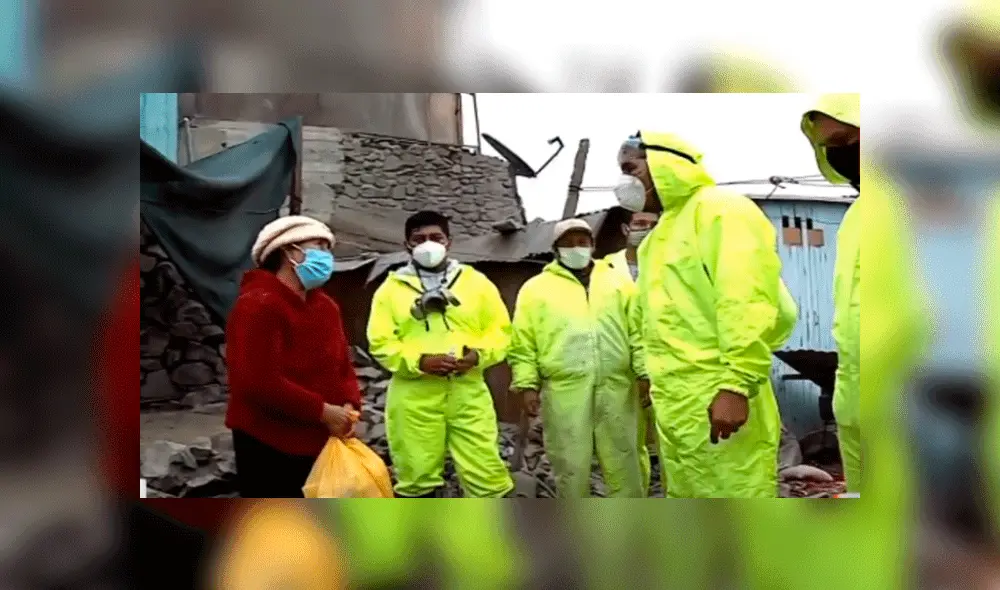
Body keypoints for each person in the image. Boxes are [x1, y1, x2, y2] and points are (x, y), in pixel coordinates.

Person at [613, 130, 797, 498]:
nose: (625, 181)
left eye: (630, 168)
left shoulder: (721, 210)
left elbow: (747, 300)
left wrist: (737, 383)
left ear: (662, 161)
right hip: (676, 406)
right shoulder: (659, 237)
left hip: (718, 397)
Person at [366, 210, 514, 498]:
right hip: (413, 397)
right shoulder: (391, 290)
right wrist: (420, 362)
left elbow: (500, 332)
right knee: (416, 477)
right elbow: (380, 343)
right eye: (419, 239)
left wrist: (478, 356)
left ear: (449, 241)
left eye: (436, 237)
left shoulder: (476, 283)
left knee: (486, 475)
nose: (428, 244)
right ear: (407, 245)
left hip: (468, 392)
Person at [508, 218, 648, 498]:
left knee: (625, 461)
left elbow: (638, 333)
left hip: (618, 387)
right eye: (567, 243)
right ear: (556, 249)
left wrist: (645, 374)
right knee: (570, 463)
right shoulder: (536, 290)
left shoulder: (618, 283)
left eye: (582, 242)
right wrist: (526, 385)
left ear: (592, 245)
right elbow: (523, 344)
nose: (576, 248)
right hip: (564, 390)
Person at [224, 215, 362, 498]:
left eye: (327, 248)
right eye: (318, 247)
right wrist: (322, 410)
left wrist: (349, 402)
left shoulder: (325, 306)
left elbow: (342, 364)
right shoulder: (258, 304)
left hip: (318, 437)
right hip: (269, 441)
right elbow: (257, 381)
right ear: (289, 252)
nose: (325, 256)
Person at [800, 93, 861, 492]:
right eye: (830, 148)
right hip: (858, 393)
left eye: (846, 141)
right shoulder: (858, 214)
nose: (840, 155)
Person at [605, 210, 660, 494]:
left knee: (677, 444)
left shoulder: (672, 265)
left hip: (668, 366)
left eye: (653, 225)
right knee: (626, 445)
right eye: (640, 224)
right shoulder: (604, 270)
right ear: (626, 228)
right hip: (623, 370)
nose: (646, 229)